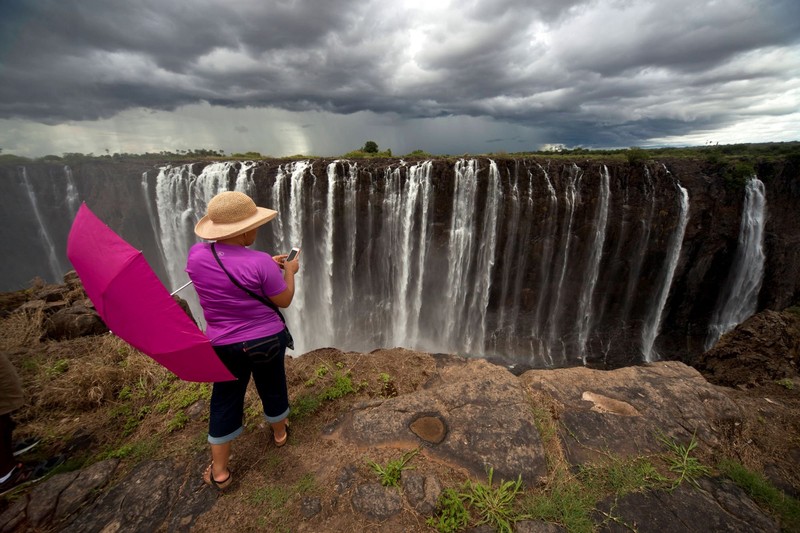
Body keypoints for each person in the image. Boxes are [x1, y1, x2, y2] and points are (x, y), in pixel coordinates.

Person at [186, 191, 300, 491]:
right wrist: (289, 271)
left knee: (225, 397)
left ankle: (220, 471)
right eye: (254, 225)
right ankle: (279, 435)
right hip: (266, 341)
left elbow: (229, 272)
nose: (256, 229)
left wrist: (265, 266)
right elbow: (284, 299)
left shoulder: (196, 256)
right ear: (244, 230)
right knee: (272, 384)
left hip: (223, 344)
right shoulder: (260, 263)